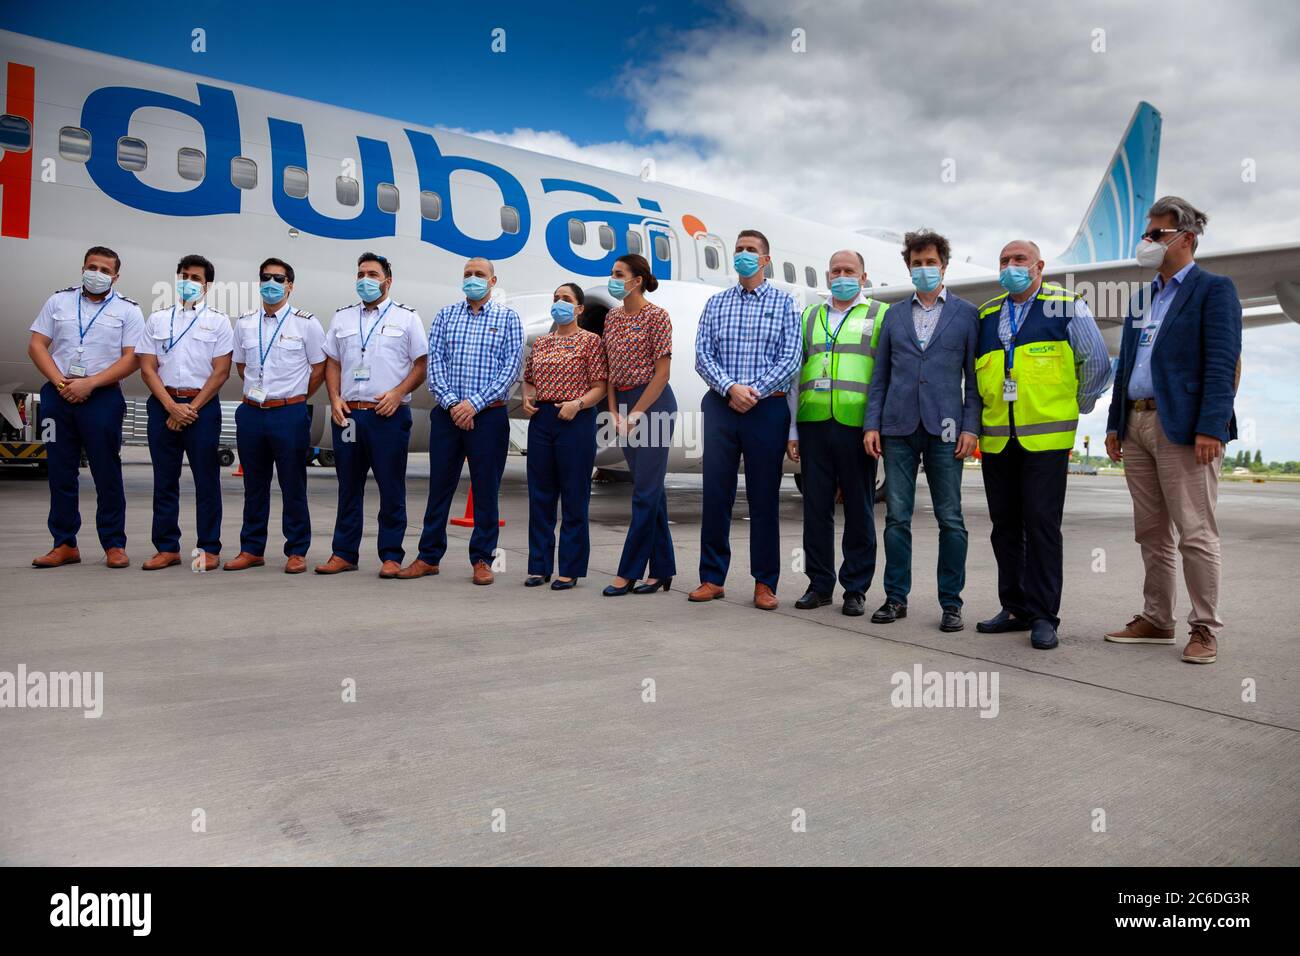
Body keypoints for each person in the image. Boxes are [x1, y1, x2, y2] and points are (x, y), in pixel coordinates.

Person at [1103, 197, 1242, 665]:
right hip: (1136, 422)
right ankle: (1157, 618)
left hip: (1183, 426)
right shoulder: (1143, 298)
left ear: (1187, 237)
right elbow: (1126, 365)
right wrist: (1114, 422)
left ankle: (1204, 627)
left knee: (1195, 531)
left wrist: (1211, 427)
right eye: (1147, 234)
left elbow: (1223, 365)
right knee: (1150, 531)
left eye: (1156, 234)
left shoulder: (1214, 290)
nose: (1148, 242)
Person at [973, 240, 1112, 649]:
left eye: (1019, 260)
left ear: (1039, 267)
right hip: (998, 440)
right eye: (1004, 260)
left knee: (1042, 527)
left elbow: (1097, 364)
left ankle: (1044, 615)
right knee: (1005, 528)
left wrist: (1076, 406)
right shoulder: (987, 313)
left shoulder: (1066, 305)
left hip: (1046, 440)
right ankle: (1013, 606)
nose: (1010, 266)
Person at [864, 230, 980, 631]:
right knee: (897, 517)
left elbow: (974, 379)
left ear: (944, 266)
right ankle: (896, 597)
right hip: (897, 427)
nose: (924, 269)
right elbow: (879, 377)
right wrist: (871, 424)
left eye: (931, 262)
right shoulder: (892, 315)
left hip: (947, 429)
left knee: (950, 518)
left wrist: (971, 427)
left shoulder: (966, 315)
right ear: (908, 267)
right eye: (917, 263)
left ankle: (951, 602)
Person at [692, 229, 802, 610]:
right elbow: (702, 355)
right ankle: (711, 578)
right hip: (722, 406)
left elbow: (790, 359)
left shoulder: (786, 304)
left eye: (751, 250)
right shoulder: (716, 303)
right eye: (738, 249)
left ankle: (764, 583)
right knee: (715, 495)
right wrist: (730, 388)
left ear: (766, 259)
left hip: (766, 408)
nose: (743, 255)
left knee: (763, 497)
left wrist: (751, 391)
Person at [401, 257, 523, 585]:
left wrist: (474, 404)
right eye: (468, 274)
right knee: (439, 488)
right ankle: (428, 556)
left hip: (489, 415)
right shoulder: (446, 315)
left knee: (486, 490)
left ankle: (483, 560)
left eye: (479, 275)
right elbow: (435, 362)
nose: (473, 279)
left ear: (492, 281)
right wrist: (455, 404)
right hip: (448, 415)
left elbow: (511, 367)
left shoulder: (508, 318)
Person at [28, 246, 145, 569]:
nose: (97, 274)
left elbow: (132, 358)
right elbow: (37, 345)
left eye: (105, 270)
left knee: (107, 472)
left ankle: (114, 544)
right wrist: (62, 383)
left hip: (102, 397)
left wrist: (90, 384)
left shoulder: (128, 310)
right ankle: (64, 544)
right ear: (82, 268)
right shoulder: (58, 302)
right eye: (92, 267)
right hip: (59, 394)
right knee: (60, 472)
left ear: (115, 276)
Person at [786, 249, 887, 617]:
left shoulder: (879, 315)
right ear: (827, 277)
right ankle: (819, 584)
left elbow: (883, 376)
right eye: (836, 270)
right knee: (816, 508)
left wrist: (876, 425)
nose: (842, 275)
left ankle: (856, 588)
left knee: (859, 508)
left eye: (850, 270)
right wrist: (793, 428)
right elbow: (796, 376)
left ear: (863, 277)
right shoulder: (810, 316)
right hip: (814, 423)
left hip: (857, 425)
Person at [316, 253, 427, 578]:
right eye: (361, 273)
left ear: (387, 281)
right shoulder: (342, 318)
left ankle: (391, 555)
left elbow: (421, 364)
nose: (365, 279)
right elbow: (332, 362)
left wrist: (397, 393)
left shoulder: (407, 318)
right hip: (350, 416)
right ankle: (343, 553)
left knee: (391, 487)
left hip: (387, 416)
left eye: (372, 274)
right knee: (348, 487)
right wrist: (334, 398)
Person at [225, 258, 326, 574]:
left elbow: (319, 367)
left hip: (289, 413)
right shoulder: (244, 322)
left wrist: (294, 395)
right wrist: (260, 391)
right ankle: (251, 549)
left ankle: (296, 550)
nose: (272, 283)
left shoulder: (306, 323)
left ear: (290, 286)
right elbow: (241, 365)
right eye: (266, 278)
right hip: (252, 413)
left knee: (292, 483)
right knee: (254, 485)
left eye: (278, 279)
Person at [136, 254, 232, 571]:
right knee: (165, 480)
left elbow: (221, 372)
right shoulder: (158, 319)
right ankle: (166, 548)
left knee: (207, 480)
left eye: (196, 278)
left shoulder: (218, 322)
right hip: (164, 405)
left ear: (207, 286)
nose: (188, 282)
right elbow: (147, 368)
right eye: (184, 276)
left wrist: (189, 408)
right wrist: (170, 406)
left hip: (200, 408)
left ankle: (209, 548)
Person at [521, 283, 607, 589]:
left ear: (579, 309)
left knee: (574, 496)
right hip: (543, 420)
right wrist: (528, 397)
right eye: (556, 298)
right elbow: (529, 379)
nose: (559, 303)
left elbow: (599, 386)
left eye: (566, 299)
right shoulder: (542, 343)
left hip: (577, 418)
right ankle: (538, 566)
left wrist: (578, 404)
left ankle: (569, 569)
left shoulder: (591, 342)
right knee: (541, 495)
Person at [601, 254, 676, 596]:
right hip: (624, 405)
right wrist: (615, 412)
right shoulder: (612, 319)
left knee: (644, 493)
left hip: (655, 404)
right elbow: (610, 372)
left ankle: (628, 571)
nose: (613, 278)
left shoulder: (657, 317)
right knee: (652, 492)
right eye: (613, 273)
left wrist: (636, 414)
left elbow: (662, 375)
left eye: (619, 274)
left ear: (638, 280)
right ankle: (662, 570)